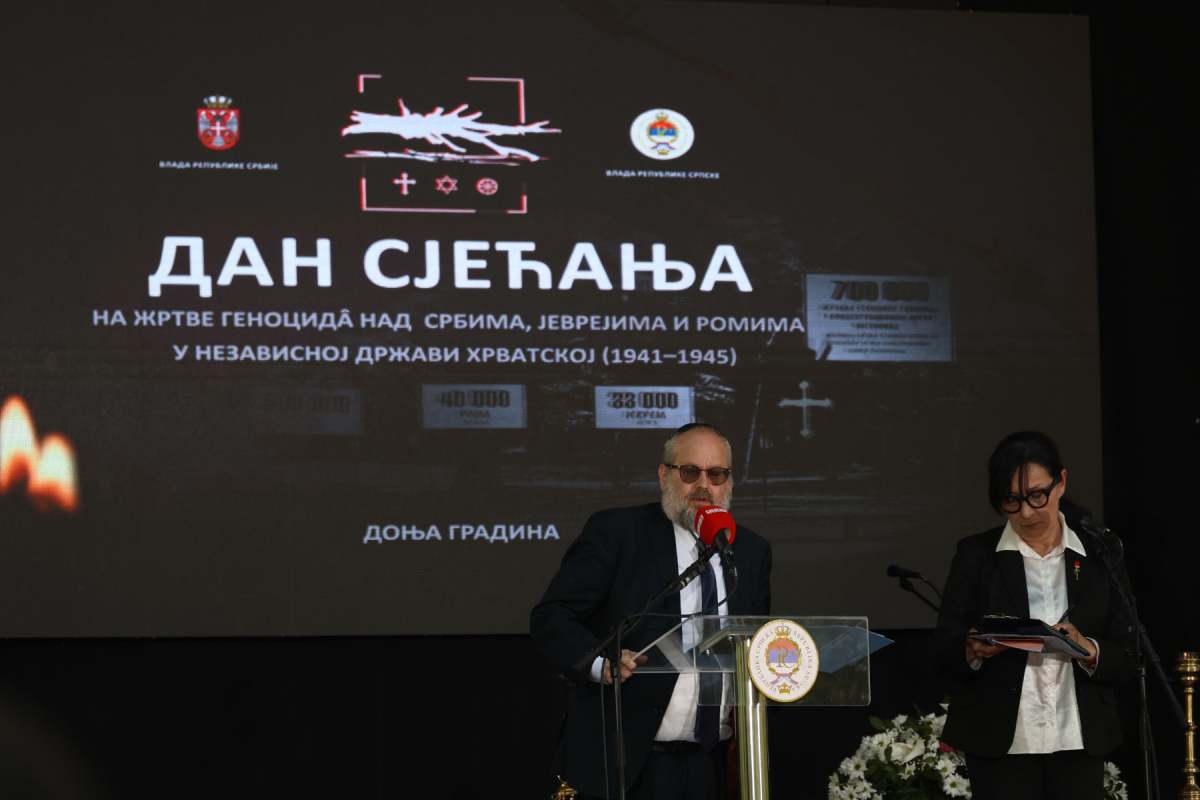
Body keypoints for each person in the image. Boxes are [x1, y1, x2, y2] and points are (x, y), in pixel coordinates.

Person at [531, 423, 772, 800]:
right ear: (664, 475)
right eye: (690, 472)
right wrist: (601, 661)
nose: (704, 486)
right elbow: (553, 616)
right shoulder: (618, 532)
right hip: (629, 761)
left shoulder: (751, 551)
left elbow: (756, 646)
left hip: (712, 764)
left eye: (716, 474)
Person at [935, 431, 1135, 800]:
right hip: (1002, 739)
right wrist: (972, 649)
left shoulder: (1099, 553)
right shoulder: (977, 555)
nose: (1026, 512)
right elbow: (944, 644)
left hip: (1078, 736)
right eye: (1011, 500)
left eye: (1037, 496)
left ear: (1062, 483)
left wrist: (1087, 648)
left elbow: (1128, 649)